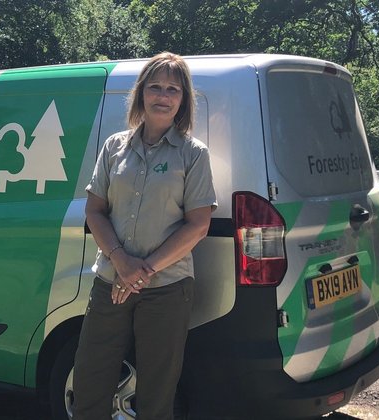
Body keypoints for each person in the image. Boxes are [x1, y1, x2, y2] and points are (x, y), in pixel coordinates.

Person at [72, 52, 217, 420]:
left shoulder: (193, 154)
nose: (163, 96)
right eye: (155, 86)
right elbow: (94, 212)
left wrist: (143, 270)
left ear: (183, 99)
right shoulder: (114, 147)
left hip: (167, 288)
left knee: (156, 394)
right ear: (140, 93)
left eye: (173, 89)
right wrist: (121, 263)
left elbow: (198, 225)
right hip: (110, 284)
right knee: (89, 382)